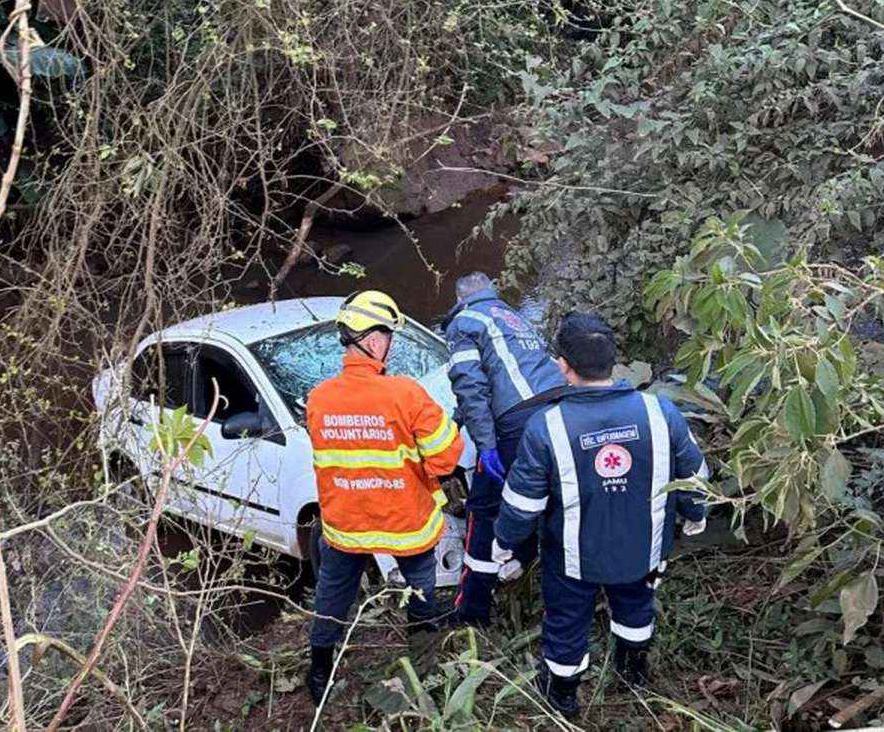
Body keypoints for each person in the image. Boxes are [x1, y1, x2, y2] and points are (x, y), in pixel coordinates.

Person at [491, 313, 709, 717]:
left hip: (573, 561)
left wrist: (505, 544)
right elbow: (695, 477)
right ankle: (633, 674)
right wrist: (696, 514)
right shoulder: (661, 412)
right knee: (636, 610)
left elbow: (523, 505)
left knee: (566, 626)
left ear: (563, 365)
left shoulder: (546, 426)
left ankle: (563, 698)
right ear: (614, 360)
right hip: (643, 551)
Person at [304, 290, 465, 706]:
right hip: (406, 523)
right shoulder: (406, 394)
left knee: (332, 595)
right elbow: (447, 459)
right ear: (374, 342)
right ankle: (423, 668)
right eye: (389, 337)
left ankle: (319, 671)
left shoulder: (318, 399)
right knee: (421, 592)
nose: (390, 345)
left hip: (346, 527)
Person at [444, 272, 565, 625]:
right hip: (558, 409)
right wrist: (457, 420)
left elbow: (470, 386)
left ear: (460, 298)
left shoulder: (463, 323)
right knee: (542, 497)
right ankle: (525, 570)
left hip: (516, 422)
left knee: (483, 511)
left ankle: (472, 611)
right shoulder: (513, 317)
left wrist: (486, 446)